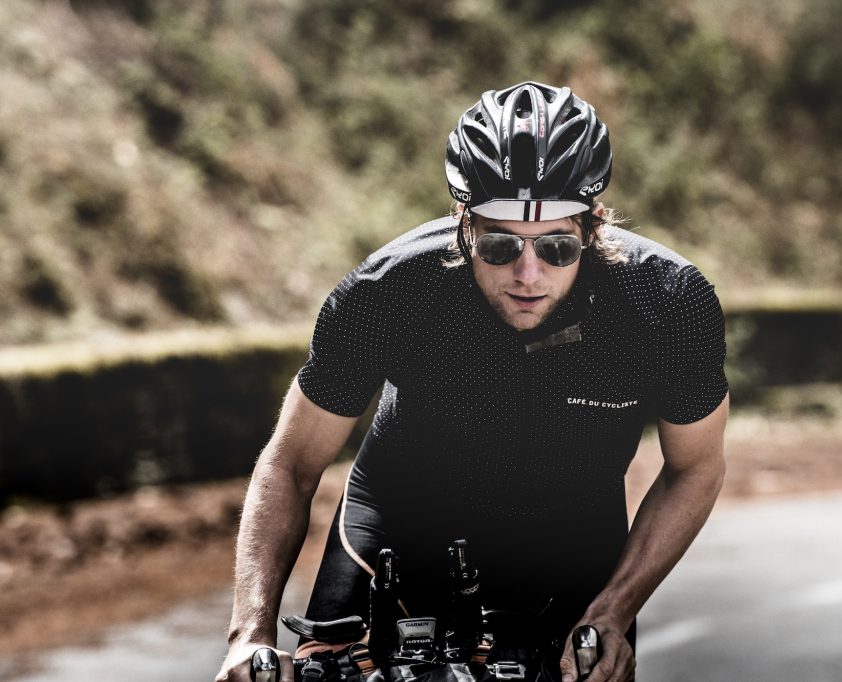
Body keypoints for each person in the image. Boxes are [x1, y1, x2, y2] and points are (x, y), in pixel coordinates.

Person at [216, 81, 729, 682]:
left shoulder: (665, 304)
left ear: (593, 228)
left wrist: (613, 611)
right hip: (397, 527)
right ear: (465, 225)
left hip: (571, 544)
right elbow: (291, 463)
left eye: (558, 248)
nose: (528, 274)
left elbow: (695, 468)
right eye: (500, 245)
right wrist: (249, 634)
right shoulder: (390, 289)